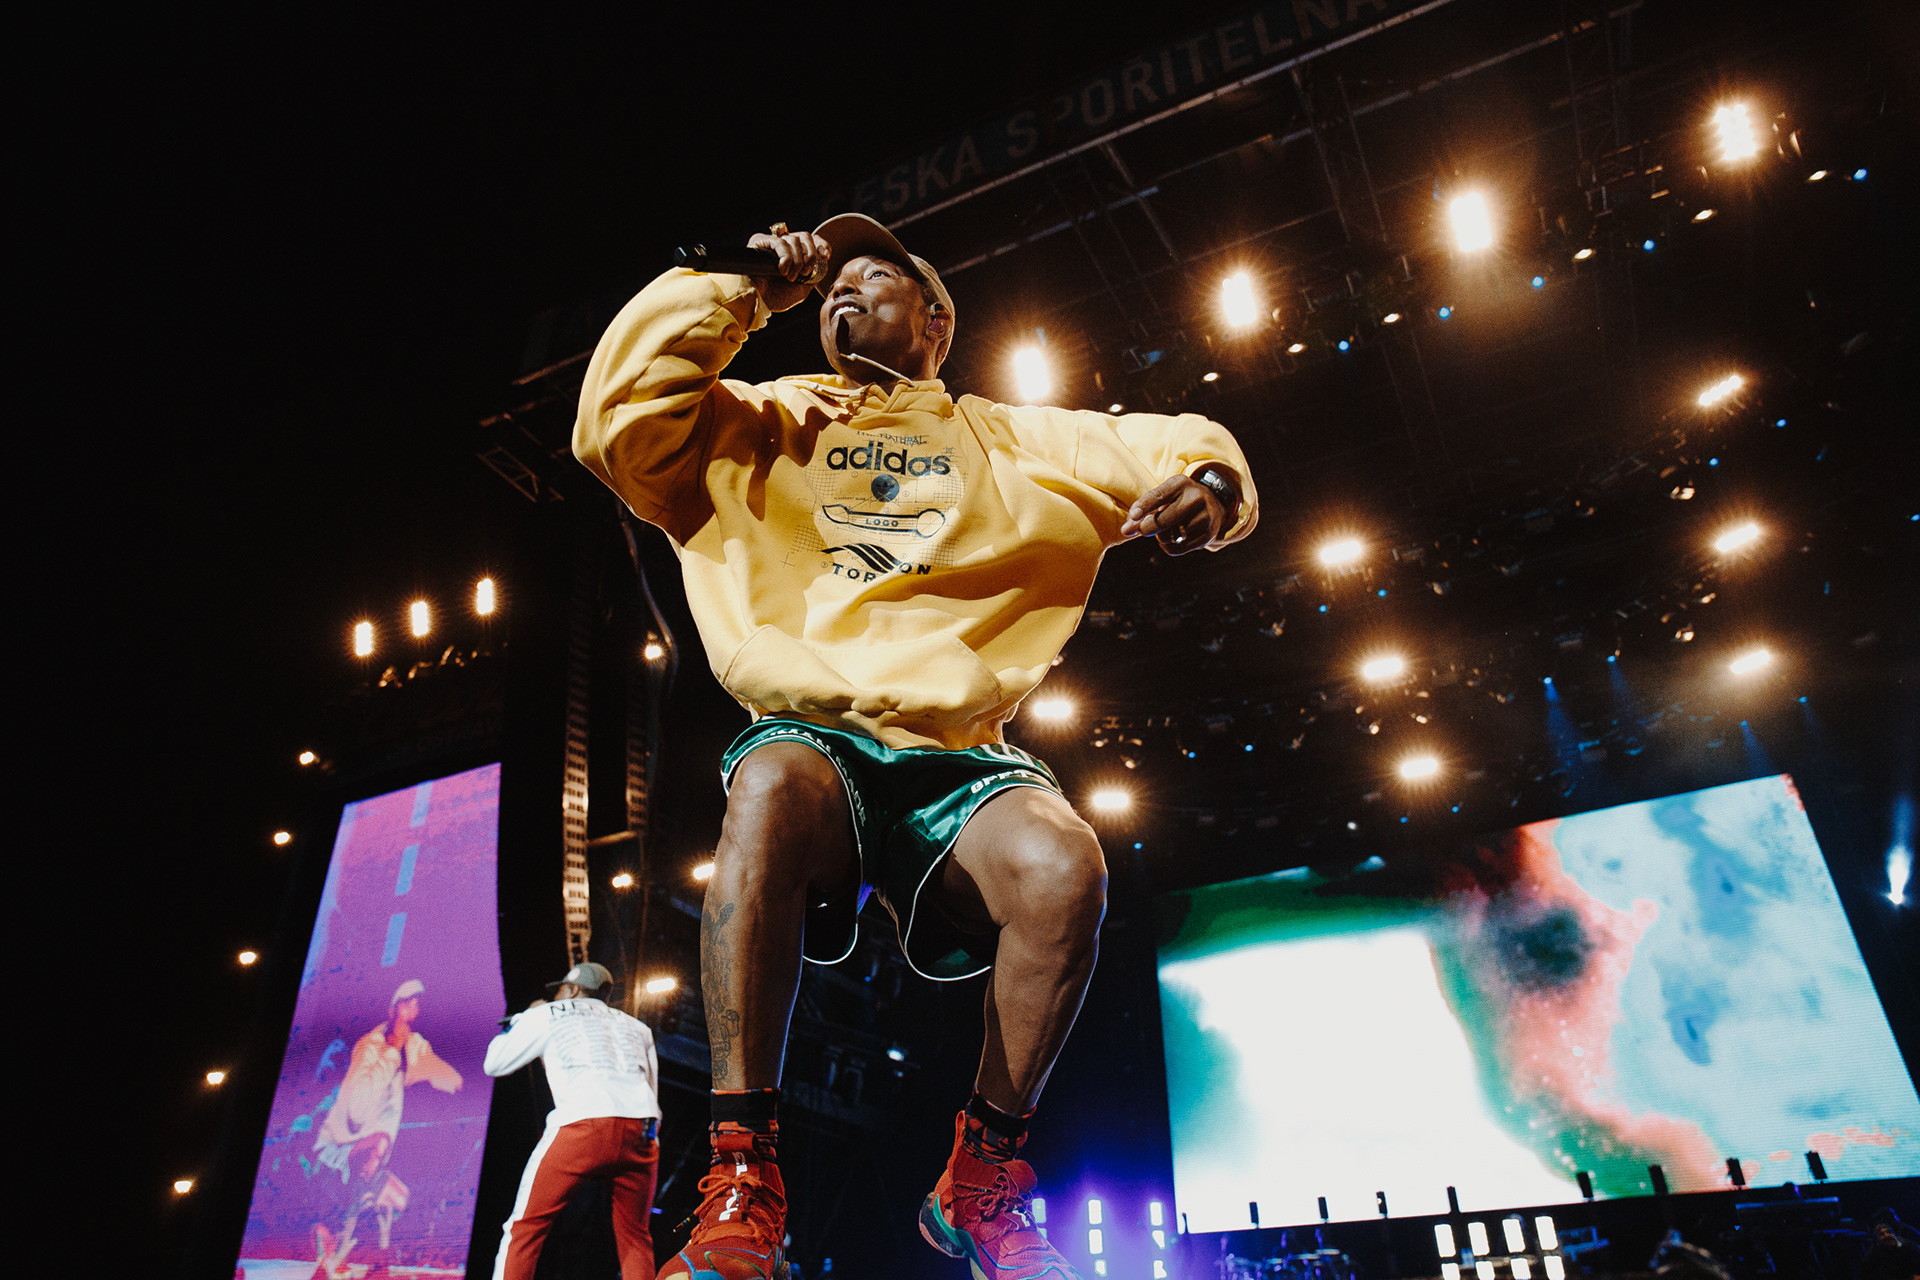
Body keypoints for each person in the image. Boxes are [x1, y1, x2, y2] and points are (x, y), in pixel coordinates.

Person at [573, 212, 1258, 1280]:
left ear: (937, 320)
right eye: (832, 282)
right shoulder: (762, 421)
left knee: (1064, 863)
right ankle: (742, 1178)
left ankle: (980, 1173)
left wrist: (1212, 484)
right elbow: (613, 419)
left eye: (875, 276)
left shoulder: (1010, 437)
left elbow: (1174, 438)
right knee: (770, 782)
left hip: (957, 753)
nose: (843, 290)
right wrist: (739, 290)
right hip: (814, 733)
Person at [484, 961, 663, 1280]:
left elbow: (494, 1064)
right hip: (641, 1127)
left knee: (525, 1227)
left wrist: (519, 1022)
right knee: (635, 1235)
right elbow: (651, 1087)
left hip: (583, 1123)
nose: (557, 996)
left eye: (561, 990)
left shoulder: (547, 1013)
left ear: (573, 989)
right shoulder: (638, 1027)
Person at [309, 978, 464, 1279]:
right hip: (343, 1141)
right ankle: (335, 1249)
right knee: (373, 1167)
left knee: (383, 1195)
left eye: (416, 1005)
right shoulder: (369, 1046)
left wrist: (453, 1080)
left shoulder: (414, 1046)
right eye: (407, 1003)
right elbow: (357, 1106)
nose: (413, 1010)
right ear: (393, 1009)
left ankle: (355, 1257)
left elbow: (447, 1077)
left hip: (375, 1147)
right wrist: (393, 1053)